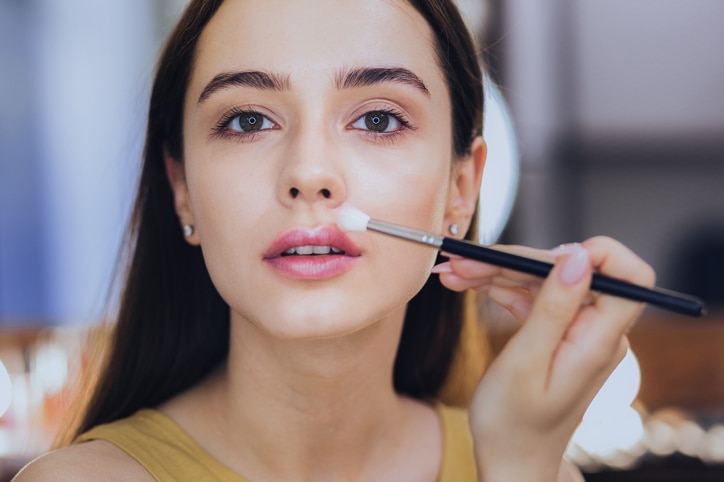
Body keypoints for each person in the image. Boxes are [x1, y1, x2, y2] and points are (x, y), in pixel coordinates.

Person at [14, 0, 654, 480]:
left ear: (463, 189)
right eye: (247, 120)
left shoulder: (529, 461)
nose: (309, 174)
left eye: (378, 119)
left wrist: (519, 464)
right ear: (182, 189)